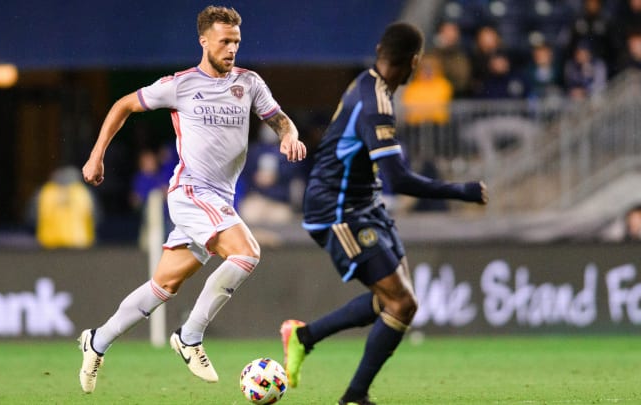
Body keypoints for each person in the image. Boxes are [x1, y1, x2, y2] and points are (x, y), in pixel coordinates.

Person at [77, 5, 306, 394]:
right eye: (224, 41)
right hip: (190, 192)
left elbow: (279, 118)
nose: (232, 48)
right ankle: (191, 335)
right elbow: (123, 106)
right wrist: (96, 154)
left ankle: (96, 341)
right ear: (204, 41)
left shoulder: (248, 83)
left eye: (236, 41)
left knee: (163, 284)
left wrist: (289, 134)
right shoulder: (179, 84)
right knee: (247, 252)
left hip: (220, 199)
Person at [279, 23, 487, 405]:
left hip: (365, 204)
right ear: (413, 62)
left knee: (394, 302)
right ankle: (354, 396)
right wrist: (462, 191)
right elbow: (397, 178)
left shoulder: (368, 84)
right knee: (401, 303)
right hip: (336, 210)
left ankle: (304, 337)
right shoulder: (376, 103)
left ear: (380, 51)